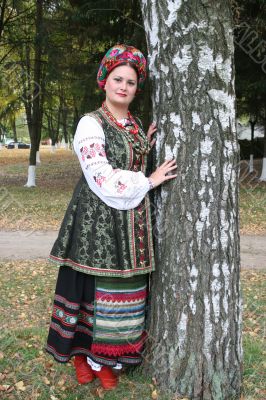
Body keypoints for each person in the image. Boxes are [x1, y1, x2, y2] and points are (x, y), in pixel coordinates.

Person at [45, 44, 177, 391]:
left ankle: (109, 359)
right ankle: (82, 356)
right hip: (95, 220)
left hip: (130, 222)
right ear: (104, 82)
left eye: (131, 82)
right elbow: (100, 174)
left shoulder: (133, 124)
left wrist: (144, 147)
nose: (124, 87)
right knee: (91, 288)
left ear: (136, 88)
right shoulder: (90, 123)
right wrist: (149, 180)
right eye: (118, 79)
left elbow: (132, 160)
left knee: (123, 289)